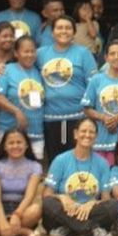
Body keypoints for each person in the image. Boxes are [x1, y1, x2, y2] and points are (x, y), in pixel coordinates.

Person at [41, 118, 118, 236]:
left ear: (96, 136)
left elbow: (106, 198)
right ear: (75, 134)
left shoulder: (102, 163)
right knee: (48, 203)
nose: (87, 135)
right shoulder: (60, 160)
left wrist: (93, 203)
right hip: (66, 210)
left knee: (113, 205)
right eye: (83, 131)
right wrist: (62, 197)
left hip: (89, 212)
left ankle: (67, 230)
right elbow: (47, 194)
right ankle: (91, 231)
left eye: (91, 132)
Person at [37, 15, 98, 163]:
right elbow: (24, 70)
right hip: (49, 118)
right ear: (52, 32)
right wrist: (1, 67)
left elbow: (94, 84)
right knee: (54, 162)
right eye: (59, 28)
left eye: (68, 28)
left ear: (74, 32)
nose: (63, 31)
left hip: (78, 118)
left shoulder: (83, 53)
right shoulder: (40, 53)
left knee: (79, 160)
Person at [82, 38, 118, 164]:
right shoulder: (96, 80)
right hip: (101, 140)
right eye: (112, 54)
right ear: (106, 57)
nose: (116, 57)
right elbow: (86, 108)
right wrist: (103, 118)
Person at [0, 36, 46, 159]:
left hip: (36, 131)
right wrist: (16, 111)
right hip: (10, 131)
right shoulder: (6, 70)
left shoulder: (39, 71)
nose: (30, 55)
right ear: (16, 53)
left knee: (34, 171)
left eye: (32, 51)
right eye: (26, 51)